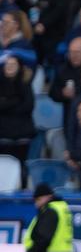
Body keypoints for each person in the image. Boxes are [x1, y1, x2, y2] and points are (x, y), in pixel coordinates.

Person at [0, 55, 34, 187]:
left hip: (22, 134)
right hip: (3, 134)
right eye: (7, 64)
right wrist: (16, 101)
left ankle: (23, 191)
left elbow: (28, 107)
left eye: (13, 64)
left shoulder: (25, 84)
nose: (10, 67)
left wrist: (6, 103)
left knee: (21, 165)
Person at [0, 9, 36, 75]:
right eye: (2, 22)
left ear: (15, 25)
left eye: (6, 23)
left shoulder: (23, 45)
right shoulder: (2, 42)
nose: (2, 25)